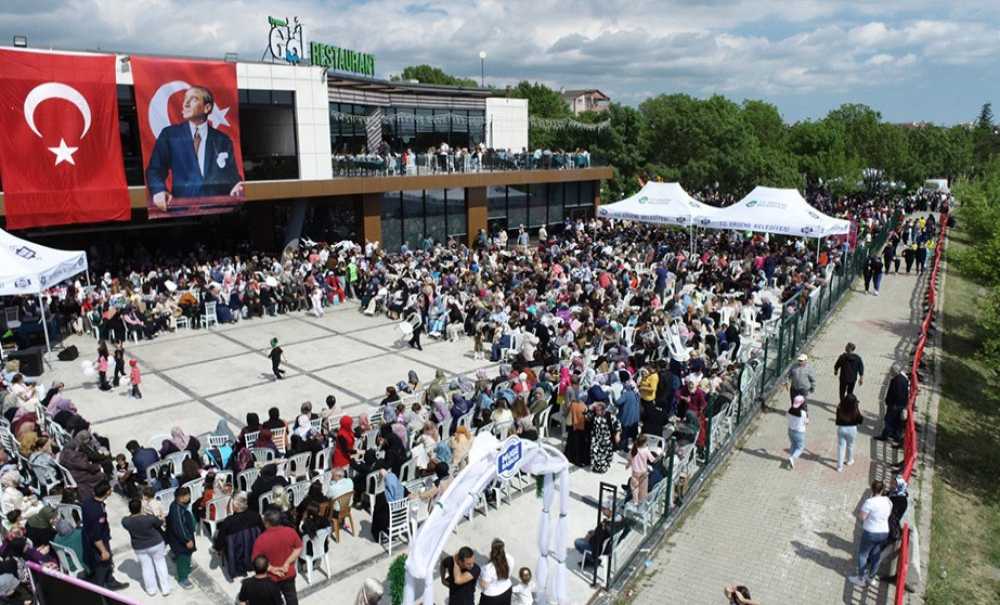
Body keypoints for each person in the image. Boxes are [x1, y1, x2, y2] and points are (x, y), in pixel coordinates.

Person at [146, 85, 243, 211]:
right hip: (182, 211)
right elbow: (155, 169)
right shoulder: (170, 135)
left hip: (217, 211)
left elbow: (231, 175)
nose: (185, 104)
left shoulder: (223, 140)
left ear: (207, 108)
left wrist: (237, 185)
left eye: (193, 99)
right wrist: (158, 190)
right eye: (185, 99)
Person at [82, 480, 129, 590]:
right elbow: (96, 535)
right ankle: (100, 589)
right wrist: (103, 550)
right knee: (103, 564)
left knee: (106, 563)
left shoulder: (88, 502)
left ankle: (110, 581)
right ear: (107, 492)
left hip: (90, 538)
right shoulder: (98, 512)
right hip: (99, 541)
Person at [251, 509, 303, 605]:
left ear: (267, 523)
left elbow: (255, 560)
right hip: (288, 574)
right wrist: (287, 563)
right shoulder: (290, 532)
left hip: (271, 579)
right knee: (291, 598)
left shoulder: (260, 540)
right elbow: (298, 548)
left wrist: (271, 569)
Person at [121, 498, 172, 597]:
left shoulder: (126, 521)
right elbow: (159, 523)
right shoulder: (149, 519)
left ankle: (151, 590)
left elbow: (126, 519)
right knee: (160, 565)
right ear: (141, 507)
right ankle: (165, 589)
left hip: (139, 547)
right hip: (156, 544)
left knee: (146, 568)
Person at [849, 480, 892, 587]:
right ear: (882, 490)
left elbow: (862, 517)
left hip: (871, 532)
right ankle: (871, 577)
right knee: (876, 555)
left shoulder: (869, 502)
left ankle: (861, 579)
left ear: (872, 489)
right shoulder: (888, 501)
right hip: (884, 532)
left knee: (863, 555)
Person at [165, 486, 197, 589]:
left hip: (185, 536)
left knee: (186, 555)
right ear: (180, 497)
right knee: (183, 557)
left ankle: (181, 563)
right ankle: (183, 578)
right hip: (181, 540)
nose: (189, 497)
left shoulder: (180, 505)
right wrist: (187, 540)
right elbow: (179, 527)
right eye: (187, 495)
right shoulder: (177, 510)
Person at [877, 363, 909, 444]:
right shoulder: (904, 379)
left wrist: (890, 402)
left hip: (894, 405)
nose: (890, 372)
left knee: (888, 420)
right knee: (897, 421)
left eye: (891, 371)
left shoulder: (895, 381)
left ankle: (885, 435)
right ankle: (896, 436)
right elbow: (905, 393)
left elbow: (894, 394)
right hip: (901, 404)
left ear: (894, 371)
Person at [479, 538, 515, 605]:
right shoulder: (511, 559)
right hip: (507, 590)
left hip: (492, 596)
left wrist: (480, 578)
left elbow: (484, 586)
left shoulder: (488, 568)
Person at [835, 393, 864, 472]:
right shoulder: (855, 409)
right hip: (852, 429)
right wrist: (859, 412)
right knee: (850, 446)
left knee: (841, 448)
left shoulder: (840, 407)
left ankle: (839, 467)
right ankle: (849, 460)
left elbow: (837, 422)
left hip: (841, 429)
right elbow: (860, 420)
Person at [628, 435, 657, 503]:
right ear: (644, 443)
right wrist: (660, 455)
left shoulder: (634, 450)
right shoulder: (646, 451)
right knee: (643, 490)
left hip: (635, 472)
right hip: (643, 472)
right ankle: (641, 504)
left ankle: (635, 502)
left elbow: (630, 459)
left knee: (634, 489)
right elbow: (653, 460)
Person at [786, 395, 808, 469]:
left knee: (793, 444)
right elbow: (806, 422)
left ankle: (790, 459)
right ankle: (792, 458)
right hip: (799, 432)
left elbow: (787, 416)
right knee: (800, 447)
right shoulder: (803, 413)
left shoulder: (790, 410)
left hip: (790, 431)